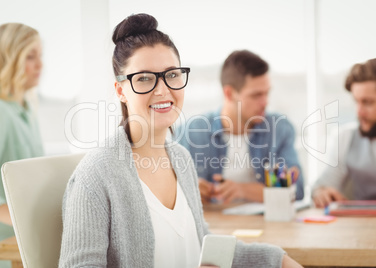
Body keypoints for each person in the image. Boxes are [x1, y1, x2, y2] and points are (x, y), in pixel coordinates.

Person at [59, 13, 301, 268]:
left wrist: (277, 260)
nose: (163, 90)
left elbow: (202, 242)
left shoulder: (181, 159)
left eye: (172, 75)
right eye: (144, 78)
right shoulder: (94, 177)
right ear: (120, 90)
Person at [176, 50, 304, 204]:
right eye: (256, 95)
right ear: (229, 93)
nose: (265, 102)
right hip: (214, 224)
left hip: (267, 224)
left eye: (267, 93)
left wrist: (241, 190)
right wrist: (187, 191)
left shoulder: (280, 129)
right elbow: (167, 192)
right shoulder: (191, 132)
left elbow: (297, 190)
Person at [312, 58, 376, 208]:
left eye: (368, 102)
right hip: (361, 229)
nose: (359, 112)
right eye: (356, 102)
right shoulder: (346, 138)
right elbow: (320, 187)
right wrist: (321, 193)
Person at [0, 23, 44, 225]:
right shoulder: (2, 112)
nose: (40, 65)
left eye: (40, 56)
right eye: (30, 56)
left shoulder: (28, 112)